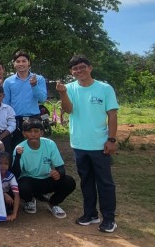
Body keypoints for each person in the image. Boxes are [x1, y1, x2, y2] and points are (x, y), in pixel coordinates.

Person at [57, 54, 119, 233]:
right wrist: (62, 93)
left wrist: (112, 139)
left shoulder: (104, 88)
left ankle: (109, 218)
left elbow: (112, 115)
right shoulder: (68, 88)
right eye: (75, 69)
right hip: (79, 144)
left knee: (105, 183)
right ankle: (90, 214)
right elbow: (68, 110)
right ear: (71, 72)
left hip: (100, 145)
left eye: (82, 67)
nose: (79, 71)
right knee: (86, 181)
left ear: (90, 68)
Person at [12, 119, 76, 219]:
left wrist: (59, 173)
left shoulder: (50, 144)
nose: (33, 134)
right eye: (29, 131)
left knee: (69, 182)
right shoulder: (19, 148)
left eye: (36, 131)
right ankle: (29, 200)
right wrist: (18, 157)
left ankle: (53, 203)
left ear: (41, 133)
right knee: (20, 185)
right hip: (29, 180)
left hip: (47, 179)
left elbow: (61, 168)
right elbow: (15, 173)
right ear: (24, 134)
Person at [3, 50, 47, 151]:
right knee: (17, 148)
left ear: (29, 63)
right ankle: (17, 167)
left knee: (35, 147)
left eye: (24, 61)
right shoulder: (8, 81)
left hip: (34, 118)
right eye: (18, 61)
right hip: (16, 119)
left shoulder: (38, 79)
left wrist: (34, 86)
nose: (21, 64)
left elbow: (42, 99)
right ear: (14, 64)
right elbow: (6, 103)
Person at [0, 151, 20, 221]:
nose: (3, 166)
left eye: (6, 164)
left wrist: (14, 214)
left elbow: (16, 195)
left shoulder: (10, 176)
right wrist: (4, 194)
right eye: (0, 163)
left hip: (7, 197)